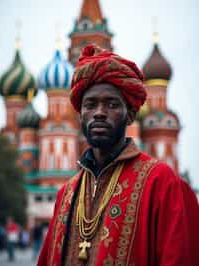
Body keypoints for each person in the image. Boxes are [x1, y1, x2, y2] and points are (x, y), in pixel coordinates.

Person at [37, 44, 199, 266]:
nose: (99, 112)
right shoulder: (67, 193)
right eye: (90, 105)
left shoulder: (161, 182)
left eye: (112, 104)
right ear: (80, 115)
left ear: (131, 115)